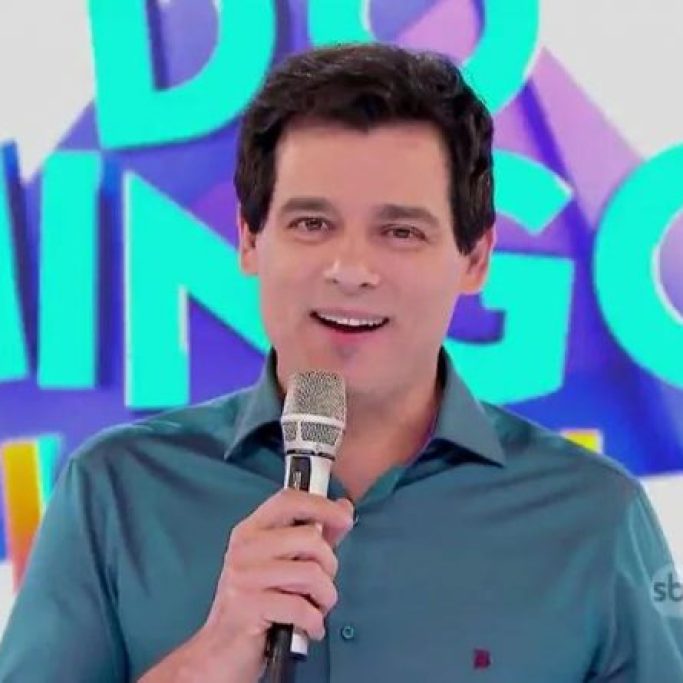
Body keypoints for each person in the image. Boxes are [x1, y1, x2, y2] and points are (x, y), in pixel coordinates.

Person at [1, 42, 682, 683]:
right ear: (249, 239)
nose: (350, 269)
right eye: (311, 224)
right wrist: (212, 654)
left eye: (400, 231)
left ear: (475, 258)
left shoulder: (595, 517)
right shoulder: (115, 492)